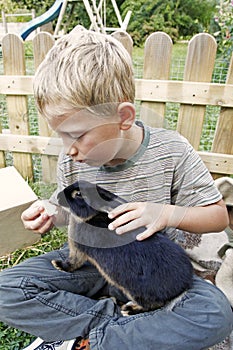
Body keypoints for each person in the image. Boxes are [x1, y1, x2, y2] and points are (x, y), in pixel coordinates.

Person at [0, 26, 232, 350]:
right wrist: (51, 213)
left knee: (215, 314)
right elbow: (71, 211)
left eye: (77, 135)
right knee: (6, 289)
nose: (68, 149)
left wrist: (165, 214)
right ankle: (116, 330)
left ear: (123, 117)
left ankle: (89, 337)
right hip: (96, 265)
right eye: (61, 136)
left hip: (156, 273)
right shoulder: (74, 159)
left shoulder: (171, 151)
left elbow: (217, 217)